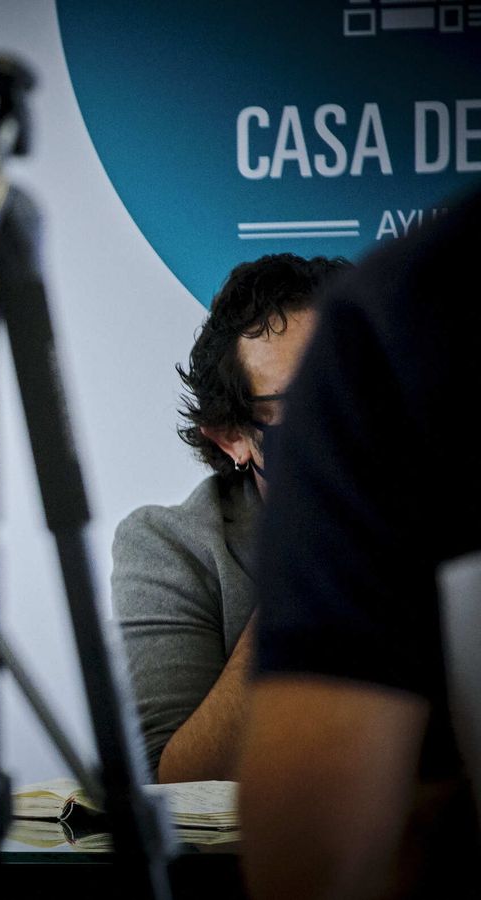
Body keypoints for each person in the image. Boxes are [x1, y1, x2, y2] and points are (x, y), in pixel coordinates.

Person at [239, 190, 481, 898]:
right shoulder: (403, 324)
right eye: (285, 411)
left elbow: (319, 856)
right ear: (231, 437)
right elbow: (171, 772)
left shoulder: (411, 314)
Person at [111, 254, 349, 782]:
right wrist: (312, 574)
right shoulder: (171, 545)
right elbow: (172, 781)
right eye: (305, 398)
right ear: (232, 436)